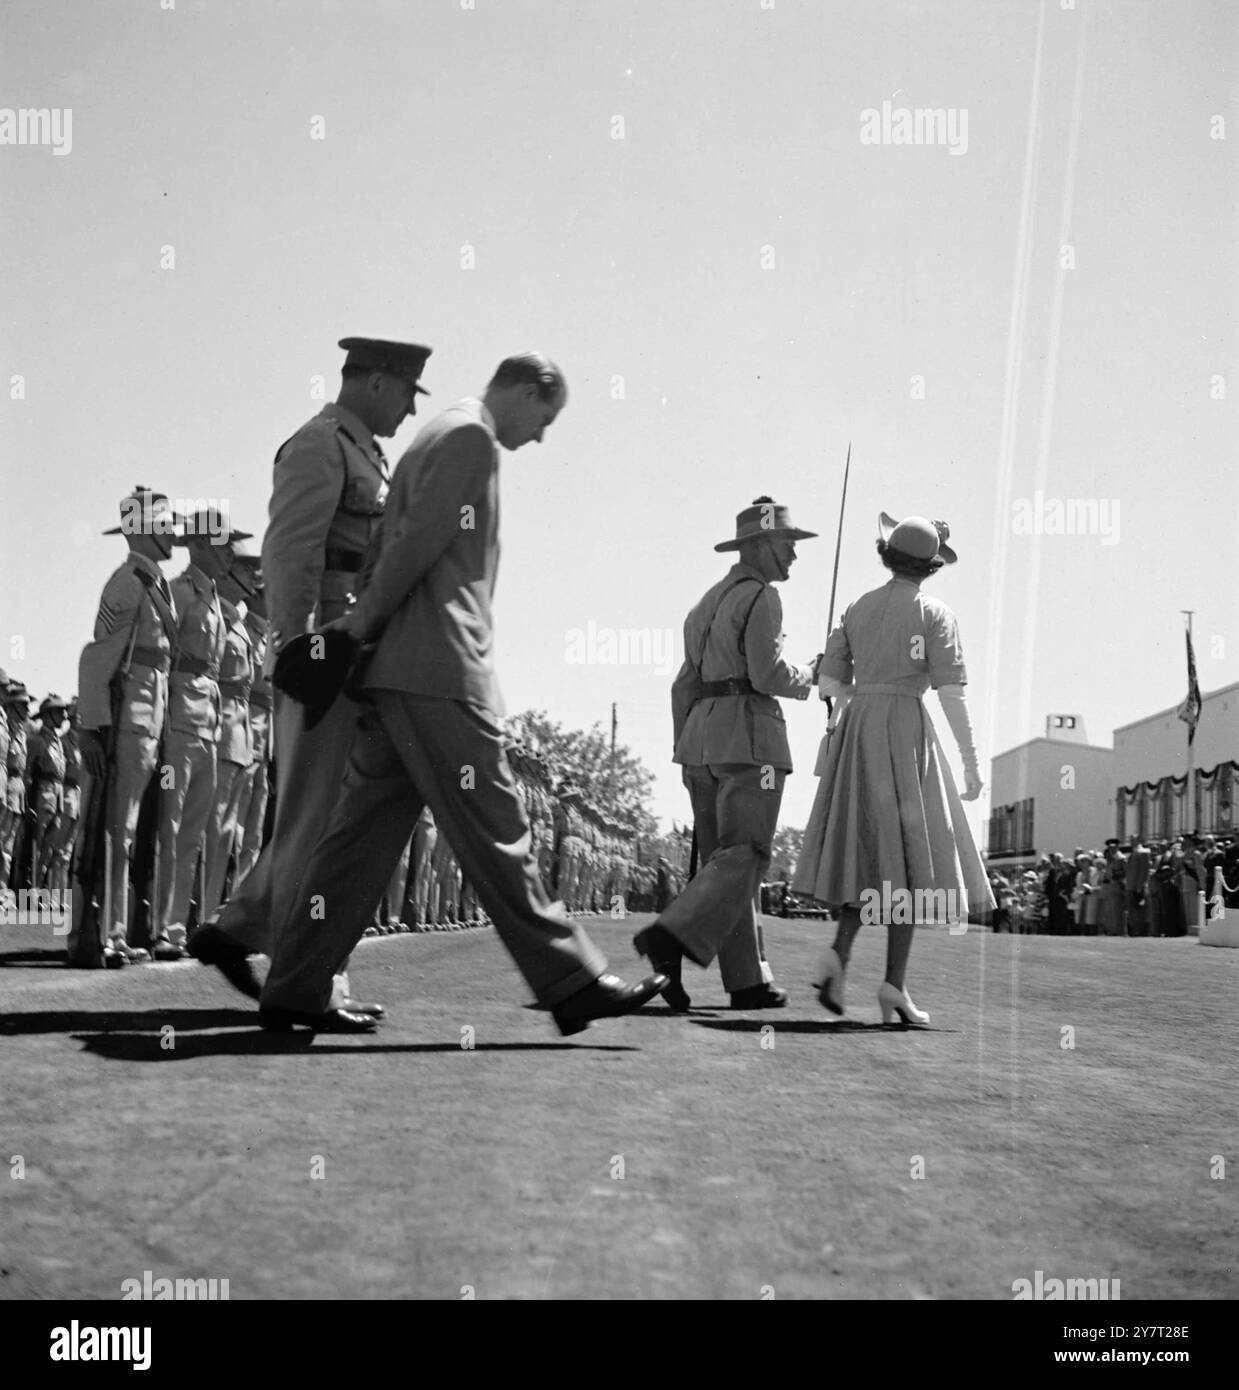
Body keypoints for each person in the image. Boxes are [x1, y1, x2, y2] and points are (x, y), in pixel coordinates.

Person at [257, 352, 666, 1033]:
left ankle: (296, 986)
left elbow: (400, 539)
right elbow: (415, 545)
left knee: (358, 844)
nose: (540, 436)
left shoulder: (440, 433)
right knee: (498, 829)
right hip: (437, 669)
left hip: (400, 675)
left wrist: (360, 638)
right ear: (525, 391)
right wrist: (356, 627)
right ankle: (571, 980)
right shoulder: (470, 437)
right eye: (546, 416)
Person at [190, 336, 432, 1011]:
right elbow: (291, 551)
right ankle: (313, 982)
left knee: (326, 815)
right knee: (324, 818)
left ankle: (239, 933)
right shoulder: (318, 443)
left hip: (350, 652)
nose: (411, 411)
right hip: (324, 655)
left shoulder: (360, 451)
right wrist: (299, 648)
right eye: (408, 393)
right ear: (378, 383)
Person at [792, 512, 993, 1025]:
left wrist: (846, 695)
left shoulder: (857, 607)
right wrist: (971, 763)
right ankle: (893, 986)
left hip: (859, 726)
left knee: (866, 851)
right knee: (904, 859)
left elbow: (831, 684)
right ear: (930, 567)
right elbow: (951, 693)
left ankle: (838, 953)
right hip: (905, 726)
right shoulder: (934, 612)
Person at [633, 496, 819, 1012]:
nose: (794, 556)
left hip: (701, 742)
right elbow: (767, 675)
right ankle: (669, 934)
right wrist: (813, 675)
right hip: (749, 741)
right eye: (788, 544)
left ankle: (746, 981)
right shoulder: (762, 597)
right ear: (760, 545)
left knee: (725, 866)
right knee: (746, 856)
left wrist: (687, 748)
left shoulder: (705, 602)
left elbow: (683, 683)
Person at [67, 487, 181, 968]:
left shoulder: (154, 581)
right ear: (142, 530)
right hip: (126, 722)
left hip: (147, 721)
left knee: (127, 831)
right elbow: (97, 661)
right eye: (162, 525)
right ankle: (98, 936)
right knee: (115, 830)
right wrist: (91, 727)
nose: (172, 532)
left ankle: (113, 933)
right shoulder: (127, 583)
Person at [152, 510, 238, 960]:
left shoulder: (215, 599)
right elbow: (165, 660)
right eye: (222, 545)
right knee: (170, 825)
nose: (229, 554)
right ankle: (160, 929)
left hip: (209, 723)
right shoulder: (181, 593)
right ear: (201, 545)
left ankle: (179, 928)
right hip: (180, 719)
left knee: (194, 832)